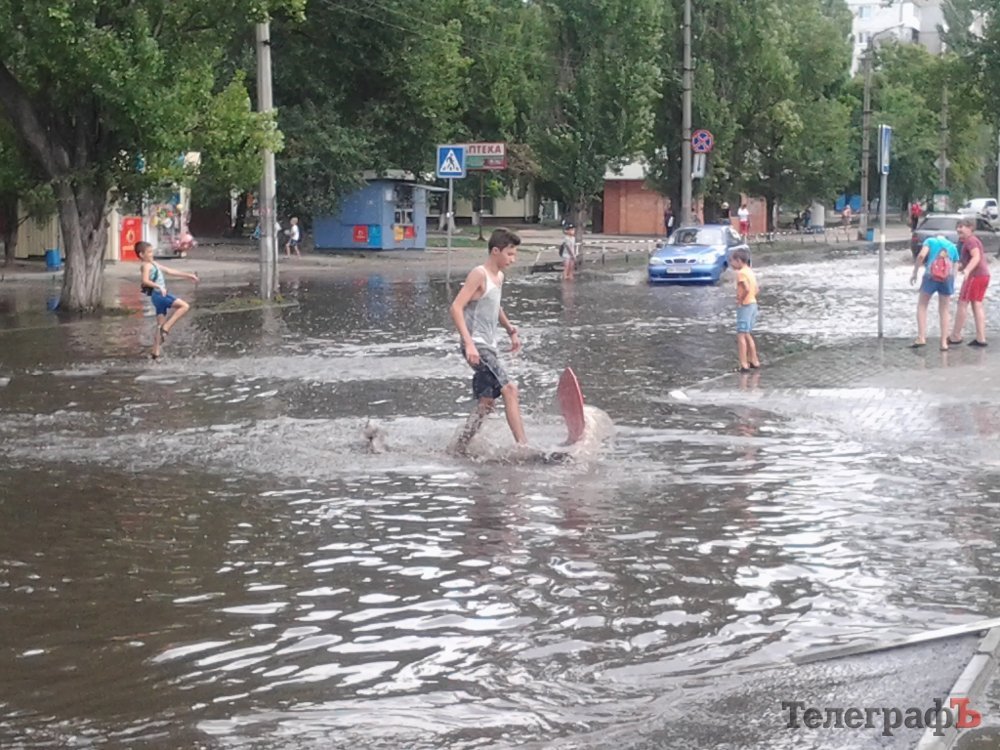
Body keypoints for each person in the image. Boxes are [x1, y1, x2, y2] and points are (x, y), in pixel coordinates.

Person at [449, 228, 527, 453]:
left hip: (488, 347)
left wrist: (510, 329)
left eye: (515, 254)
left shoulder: (499, 276)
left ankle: (458, 447)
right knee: (510, 389)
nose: (513, 259)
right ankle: (523, 447)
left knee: (486, 404)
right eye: (510, 254)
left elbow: (495, 305)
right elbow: (456, 307)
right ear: (495, 251)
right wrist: (470, 343)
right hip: (477, 346)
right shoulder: (479, 274)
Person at [136, 241, 198, 360]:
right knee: (184, 306)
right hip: (159, 295)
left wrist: (188, 275)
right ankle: (168, 327)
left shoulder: (154, 264)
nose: (151, 254)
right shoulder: (146, 266)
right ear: (141, 255)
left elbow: (170, 271)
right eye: (148, 252)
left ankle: (155, 352)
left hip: (158, 296)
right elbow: (145, 281)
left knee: (160, 325)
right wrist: (158, 286)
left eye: (151, 251)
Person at [910, 233, 960, 350]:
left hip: (930, 276)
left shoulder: (930, 241)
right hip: (947, 279)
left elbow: (921, 256)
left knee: (922, 305)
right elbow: (955, 265)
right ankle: (943, 342)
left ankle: (921, 337)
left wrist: (915, 272)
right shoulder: (952, 246)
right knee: (944, 310)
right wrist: (952, 281)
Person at [949, 217, 990, 347]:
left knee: (962, 303)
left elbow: (976, 257)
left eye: (961, 226)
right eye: (957, 227)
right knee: (976, 304)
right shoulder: (971, 241)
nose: (958, 229)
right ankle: (981, 338)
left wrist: (967, 270)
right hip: (983, 275)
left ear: (970, 228)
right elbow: (969, 260)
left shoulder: (970, 241)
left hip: (975, 276)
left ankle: (955, 336)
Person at [729, 248, 760, 373]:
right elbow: (756, 289)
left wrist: (740, 300)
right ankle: (754, 360)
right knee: (747, 333)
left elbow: (746, 288)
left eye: (732, 261)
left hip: (745, 306)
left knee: (741, 335)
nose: (731, 264)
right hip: (753, 304)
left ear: (738, 260)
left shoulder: (741, 273)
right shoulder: (750, 271)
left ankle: (743, 363)